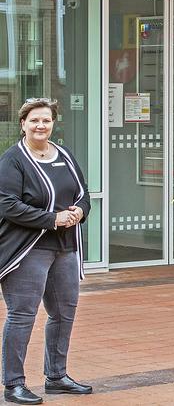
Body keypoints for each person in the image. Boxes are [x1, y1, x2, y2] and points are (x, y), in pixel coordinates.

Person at [0, 98, 92, 404]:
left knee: (64, 312)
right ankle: (13, 384)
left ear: (54, 123)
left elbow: (83, 193)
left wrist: (79, 211)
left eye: (47, 120)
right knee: (22, 314)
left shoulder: (63, 154)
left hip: (65, 248)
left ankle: (56, 377)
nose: (41, 126)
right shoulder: (13, 159)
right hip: (28, 250)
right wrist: (51, 219)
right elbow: (8, 205)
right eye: (35, 120)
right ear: (23, 123)